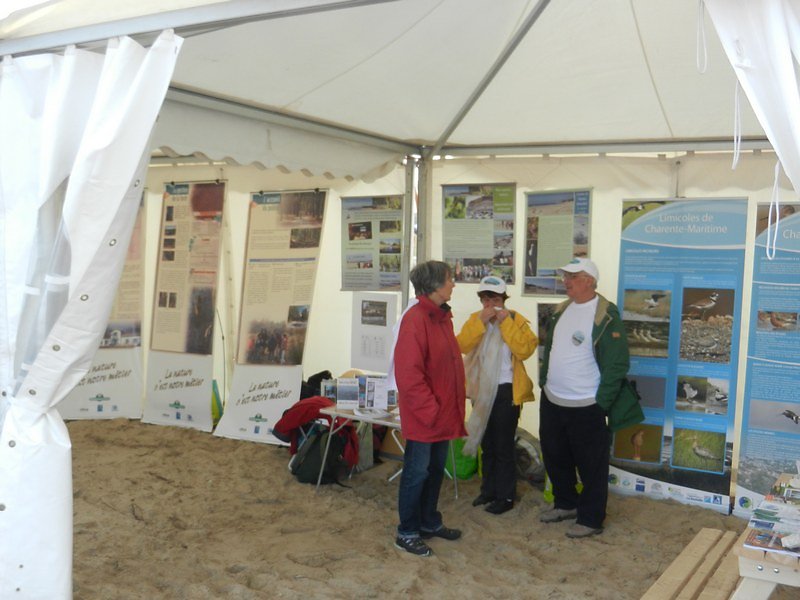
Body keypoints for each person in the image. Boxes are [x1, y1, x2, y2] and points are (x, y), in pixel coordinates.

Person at [538, 257, 643, 538]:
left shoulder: (606, 315)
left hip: (586, 405)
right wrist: (544, 382)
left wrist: (602, 402)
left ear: (589, 280)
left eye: (572, 276)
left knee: (591, 464)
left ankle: (591, 518)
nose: (566, 281)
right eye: (565, 276)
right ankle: (566, 503)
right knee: (555, 456)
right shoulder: (562, 310)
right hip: (553, 399)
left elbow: (618, 363)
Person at [391, 260, 466, 557]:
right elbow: (408, 374)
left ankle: (429, 522)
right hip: (427, 415)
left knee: (435, 470)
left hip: (441, 412)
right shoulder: (416, 319)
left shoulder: (441, 316)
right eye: (449, 279)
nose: (453, 284)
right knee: (416, 472)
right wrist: (430, 410)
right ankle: (407, 531)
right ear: (434, 285)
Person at [456, 275, 538, 515]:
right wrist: (480, 322)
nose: (489, 303)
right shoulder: (476, 319)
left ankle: (506, 496)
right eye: (485, 298)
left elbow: (524, 350)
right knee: (486, 443)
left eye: (494, 298)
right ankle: (488, 490)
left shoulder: (517, 320)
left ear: (504, 299)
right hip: (481, 389)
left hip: (507, 390)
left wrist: (506, 323)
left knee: (503, 445)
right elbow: (461, 345)